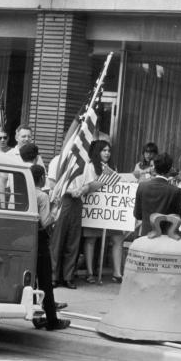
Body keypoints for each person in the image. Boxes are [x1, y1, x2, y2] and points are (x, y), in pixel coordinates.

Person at [49, 146, 103, 289]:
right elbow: (52, 183)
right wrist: (70, 191)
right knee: (57, 240)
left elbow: (89, 184)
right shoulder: (57, 161)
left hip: (77, 202)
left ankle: (68, 276)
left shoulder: (85, 163)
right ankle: (53, 276)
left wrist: (81, 190)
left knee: (73, 240)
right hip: (62, 200)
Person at [29, 164, 71, 331]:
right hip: (39, 240)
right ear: (42, 178)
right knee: (45, 282)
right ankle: (52, 320)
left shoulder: (21, 193)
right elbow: (45, 222)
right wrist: (55, 211)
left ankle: (35, 316)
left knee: (30, 282)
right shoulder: (42, 196)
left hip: (23, 239)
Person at [82, 140, 128, 284]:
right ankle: (90, 272)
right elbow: (88, 186)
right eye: (104, 150)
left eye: (109, 150)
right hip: (94, 208)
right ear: (98, 152)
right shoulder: (90, 166)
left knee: (117, 238)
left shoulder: (111, 166)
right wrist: (106, 178)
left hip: (110, 209)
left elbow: (116, 185)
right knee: (91, 239)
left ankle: (117, 273)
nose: (107, 153)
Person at [134, 153, 181, 237]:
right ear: (170, 169)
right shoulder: (175, 191)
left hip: (146, 236)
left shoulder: (142, 186)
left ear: (154, 168)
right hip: (166, 238)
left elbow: (137, 215)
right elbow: (178, 218)